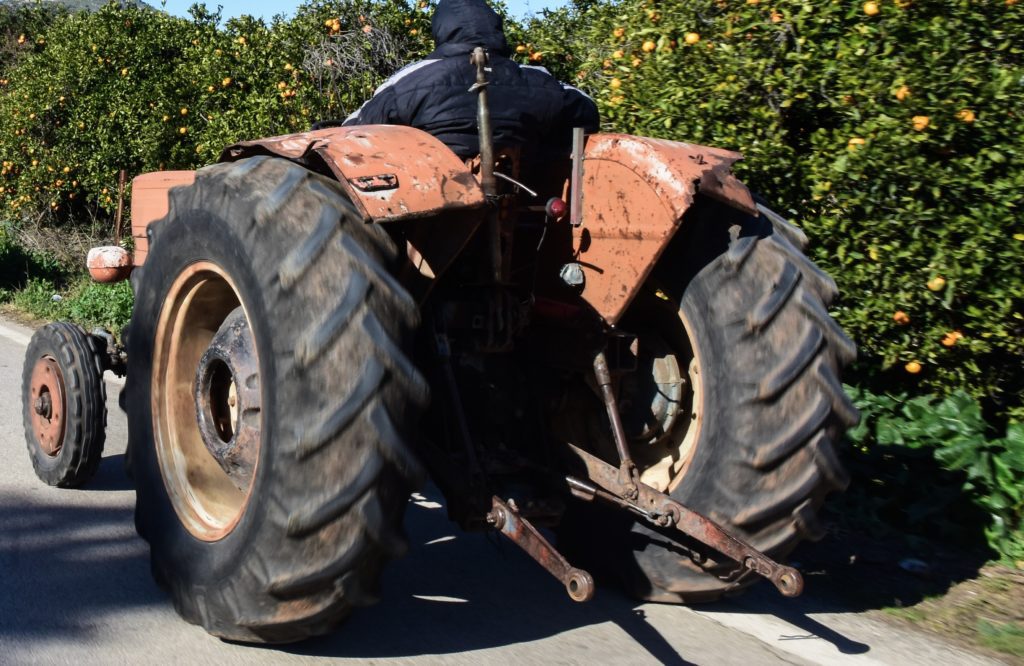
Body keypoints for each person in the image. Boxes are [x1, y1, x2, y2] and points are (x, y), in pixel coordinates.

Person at [343, 0, 599, 161]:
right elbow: (588, 112)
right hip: (517, 210)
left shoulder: (414, 78)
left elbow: (354, 129)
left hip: (430, 211)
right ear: (496, 30)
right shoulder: (536, 80)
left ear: (442, 32)